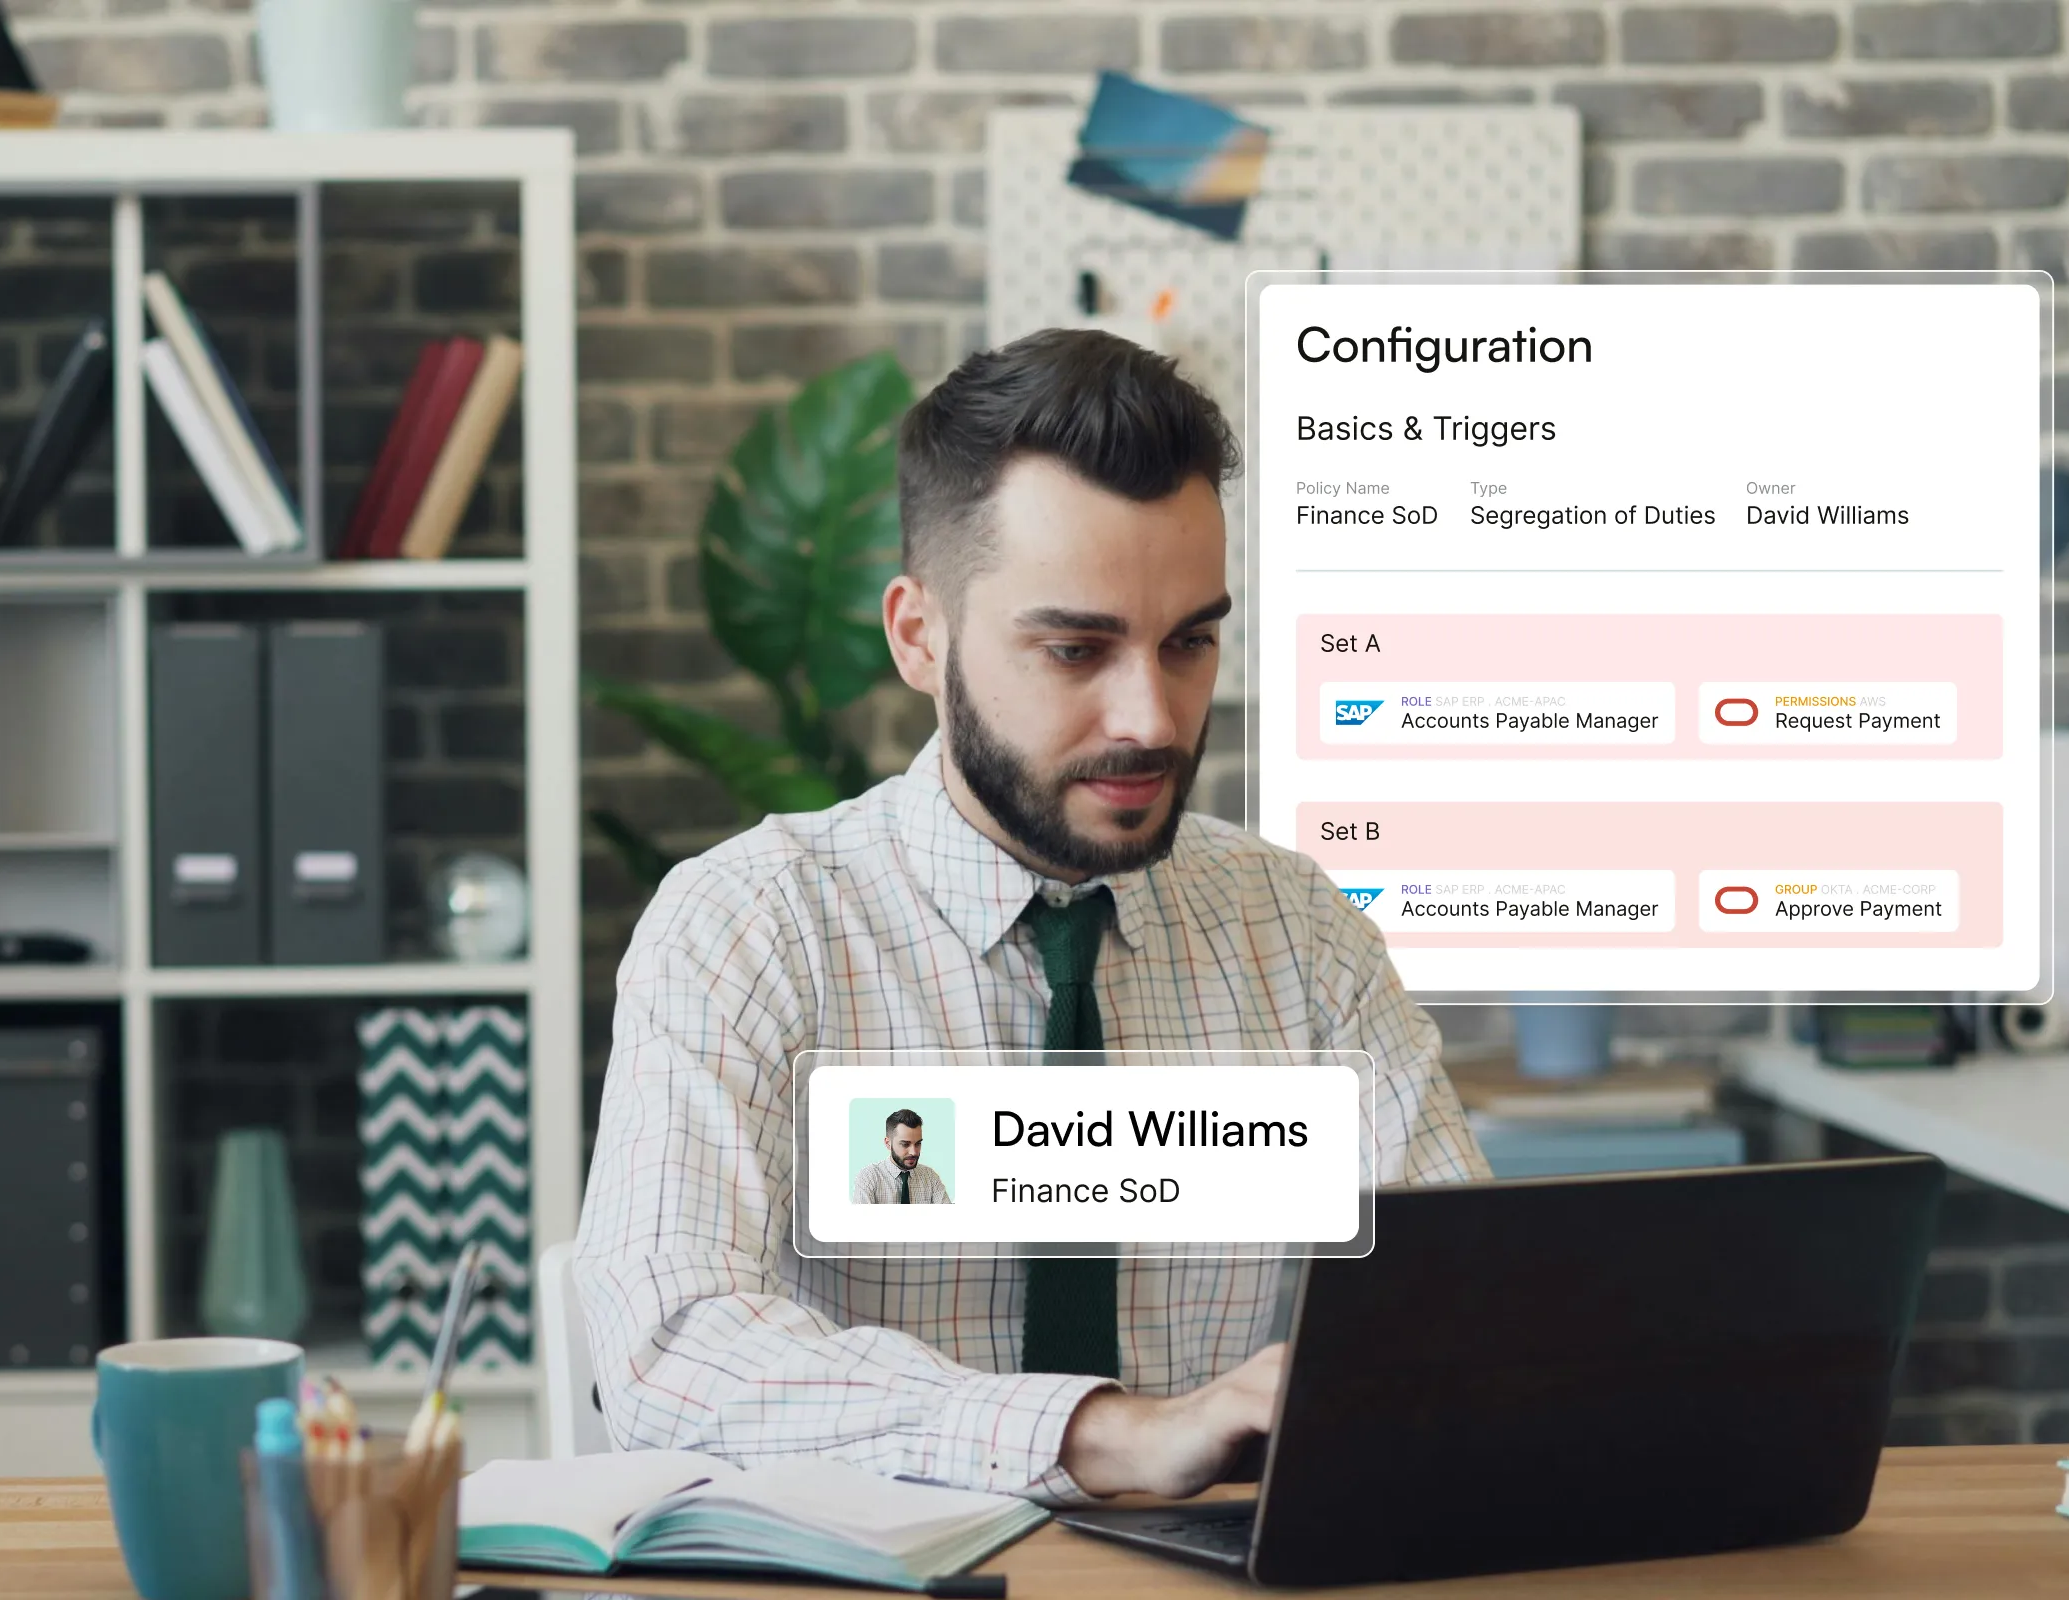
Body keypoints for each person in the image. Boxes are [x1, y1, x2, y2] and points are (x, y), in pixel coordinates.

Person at [572, 327, 1487, 1506]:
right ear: (919, 636)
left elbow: (1468, 1310)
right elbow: (674, 1350)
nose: (1151, 718)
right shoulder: (751, 926)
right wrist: (1102, 1433)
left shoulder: (1299, 932)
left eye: (1190, 641)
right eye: (1075, 648)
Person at [852, 1108, 953, 1204]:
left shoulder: (930, 1177)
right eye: (905, 1144)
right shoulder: (868, 1178)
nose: (913, 1152)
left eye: (918, 1143)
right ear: (888, 1143)